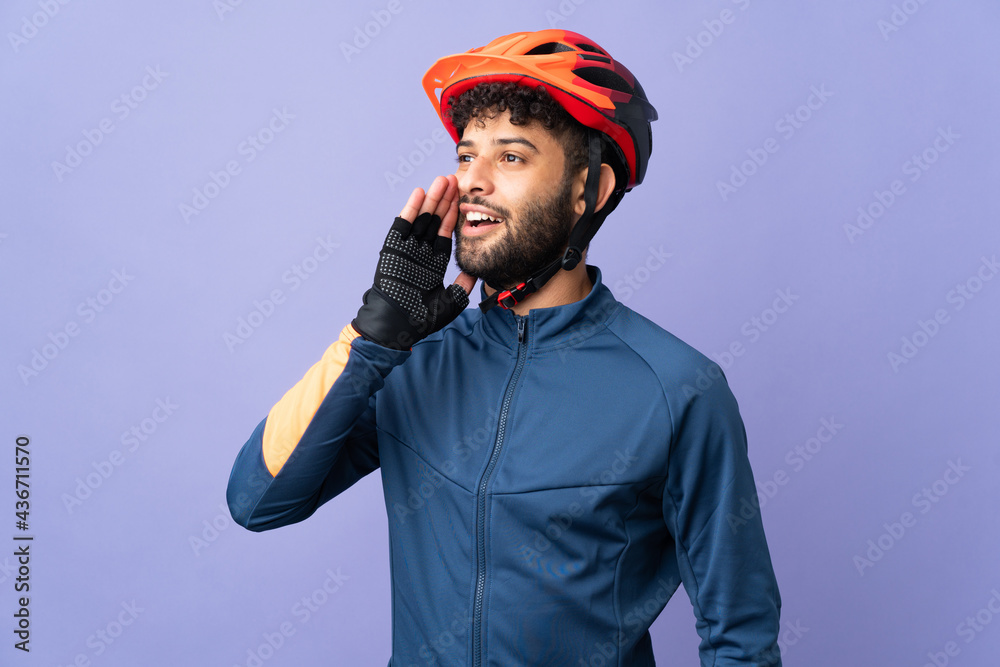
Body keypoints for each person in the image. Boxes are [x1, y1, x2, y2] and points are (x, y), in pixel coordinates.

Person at [227, 28, 782, 666]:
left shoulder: (679, 388)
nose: (473, 182)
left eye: (511, 157)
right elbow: (258, 500)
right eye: (466, 156)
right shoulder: (414, 358)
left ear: (590, 190)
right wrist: (375, 332)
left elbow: (740, 636)